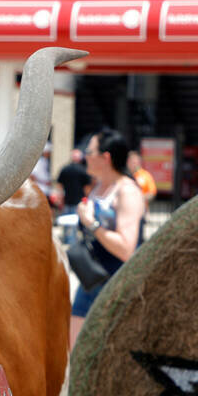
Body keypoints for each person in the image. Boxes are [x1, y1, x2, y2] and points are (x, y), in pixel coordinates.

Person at [71, 128, 145, 348]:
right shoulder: (99, 186)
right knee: (76, 350)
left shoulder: (127, 191)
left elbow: (126, 248)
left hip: (116, 284)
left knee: (108, 353)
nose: (85, 155)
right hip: (91, 279)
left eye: (90, 150)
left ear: (106, 157)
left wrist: (91, 224)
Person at [55, 148, 93, 244]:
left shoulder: (65, 169)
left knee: (66, 223)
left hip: (67, 200)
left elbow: (59, 185)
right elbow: (87, 187)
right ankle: (73, 244)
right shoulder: (83, 170)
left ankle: (67, 241)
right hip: (79, 201)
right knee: (76, 224)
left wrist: (61, 198)